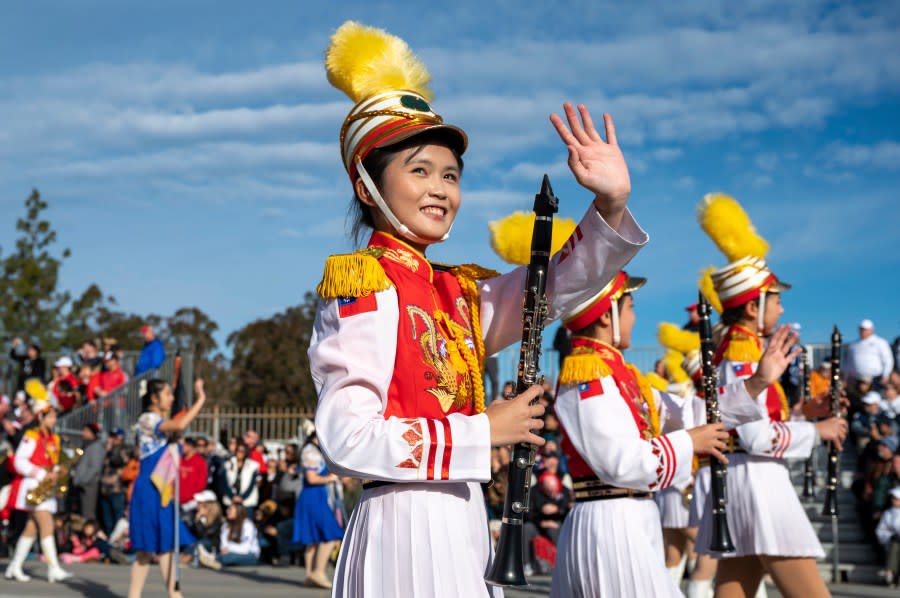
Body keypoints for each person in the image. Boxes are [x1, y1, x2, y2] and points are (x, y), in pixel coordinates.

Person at [311, 21, 651, 598]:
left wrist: (610, 206)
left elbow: (556, 288)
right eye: (418, 170)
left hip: (463, 521)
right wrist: (483, 431)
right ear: (367, 186)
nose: (441, 188)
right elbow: (345, 437)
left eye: (450, 174)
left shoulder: (457, 291)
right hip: (402, 527)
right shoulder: (363, 283)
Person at [549, 272, 749, 597]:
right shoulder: (586, 372)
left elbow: (693, 413)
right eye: (630, 306)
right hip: (611, 520)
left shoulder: (623, 375)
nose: (634, 316)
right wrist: (689, 441)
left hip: (630, 517)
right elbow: (620, 464)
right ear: (605, 315)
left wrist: (757, 384)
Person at [693, 193, 848, 598]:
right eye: (774, 299)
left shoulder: (740, 349)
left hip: (745, 480)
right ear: (751, 308)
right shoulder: (745, 353)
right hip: (758, 481)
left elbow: (757, 419)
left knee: (735, 587)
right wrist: (820, 431)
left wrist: (803, 414)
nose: (780, 308)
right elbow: (757, 437)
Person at [126, 378, 206, 598]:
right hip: (149, 487)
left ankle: (174, 595)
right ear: (154, 397)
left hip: (164, 489)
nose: (171, 398)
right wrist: (201, 400)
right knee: (145, 549)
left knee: (166, 545)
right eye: (167, 394)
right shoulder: (148, 419)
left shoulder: (162, 422)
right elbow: (180, 425)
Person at [3, 381, 72, 583]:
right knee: (46, 523)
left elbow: (53, 460)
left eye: (54, 415)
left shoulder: (54, 438)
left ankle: (14, 566)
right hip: (33, 486)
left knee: (31, 528)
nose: (54, 419)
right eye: (50, 416)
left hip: (46, 487)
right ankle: (54, 568)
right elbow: (19, 461)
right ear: (41, 416)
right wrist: (42, 474)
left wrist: (58, 471)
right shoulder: (31, 436)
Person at [293, 429, 343, 588]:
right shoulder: (311, 452)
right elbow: (312, 478)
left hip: (314, 496)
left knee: (313, 538)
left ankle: (309, 575)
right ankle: (319, 572)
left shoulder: (311, 450)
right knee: (332, 533)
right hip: (314, 496)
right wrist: (330, 478)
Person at [847, 319, 894, 392]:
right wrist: (847, 376)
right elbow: (849, 362)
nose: (863, 331)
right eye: (861, 329)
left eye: (865, 329)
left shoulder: (880, 342)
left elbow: (888, 359)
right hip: (856, 379)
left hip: (875, 379)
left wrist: (885, 375)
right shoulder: (853, 345)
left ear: (871, 330)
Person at [72, 422, 105, 521]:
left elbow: (95, 468)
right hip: (82, 484)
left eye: (86, 431)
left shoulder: (96, 447)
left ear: (93, 433)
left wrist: (84, 480)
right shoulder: (87, 446)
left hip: (89, 485)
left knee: (88, 513)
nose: (83, 433)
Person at [99, 427, 128, 536]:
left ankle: (118, 541)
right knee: (107, 519)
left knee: (118, 518)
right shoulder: (107, 450)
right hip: (105, 490)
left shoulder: (123, 450)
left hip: (116, 489)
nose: (111, 439)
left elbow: (117, 461)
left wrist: (111, 449)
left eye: (114, 437)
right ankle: (110, 541)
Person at [222, 439, 259, 513]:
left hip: (247, 501)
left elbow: (252, 484)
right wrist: (232, 496)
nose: (239, 453)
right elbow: (224, 482)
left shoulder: (253, 465)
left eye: (242, 451)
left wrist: (242, 497)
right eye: (238, 451)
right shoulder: (227, 464)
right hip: (231, 500)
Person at [877, 487, 900, 587]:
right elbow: (881, 530)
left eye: (896, 498)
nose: (893, 501)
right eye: (893, 498)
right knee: (894, 546)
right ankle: (890, 573)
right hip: (893, 542)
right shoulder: (888, 513)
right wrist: (890, 536)